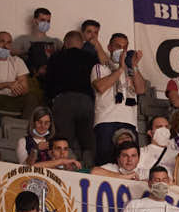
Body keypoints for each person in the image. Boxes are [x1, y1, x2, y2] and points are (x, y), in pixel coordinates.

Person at [90, 33, 146, 166]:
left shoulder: (131, 71)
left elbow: (141, 90)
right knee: (106, 162)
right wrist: (120, 69)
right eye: (118, 46)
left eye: (125, 47)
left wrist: (134, 66)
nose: (122, 50)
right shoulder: (100, 68)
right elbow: (100, 87)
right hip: (106, 121)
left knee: (129, 164)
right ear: (109, 47)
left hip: (129, 122)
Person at [44, 30, 98, 162]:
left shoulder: (56, 57)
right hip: (86, 101)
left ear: (65, 43)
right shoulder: (91, 58)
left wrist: (50, 101)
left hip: (64, 101)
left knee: (64, 140)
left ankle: (65, 170)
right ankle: (88, 170)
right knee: (88, 142)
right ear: (81, 44)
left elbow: (48, 82)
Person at [0, 31, 37, 118]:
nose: (5, 46)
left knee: (31, 97)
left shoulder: (17, 61)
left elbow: (25, 88)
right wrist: (8, 84)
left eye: (8, 43)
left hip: (12, 98)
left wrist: (19, 89)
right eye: (2, 41)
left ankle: (22, 128)